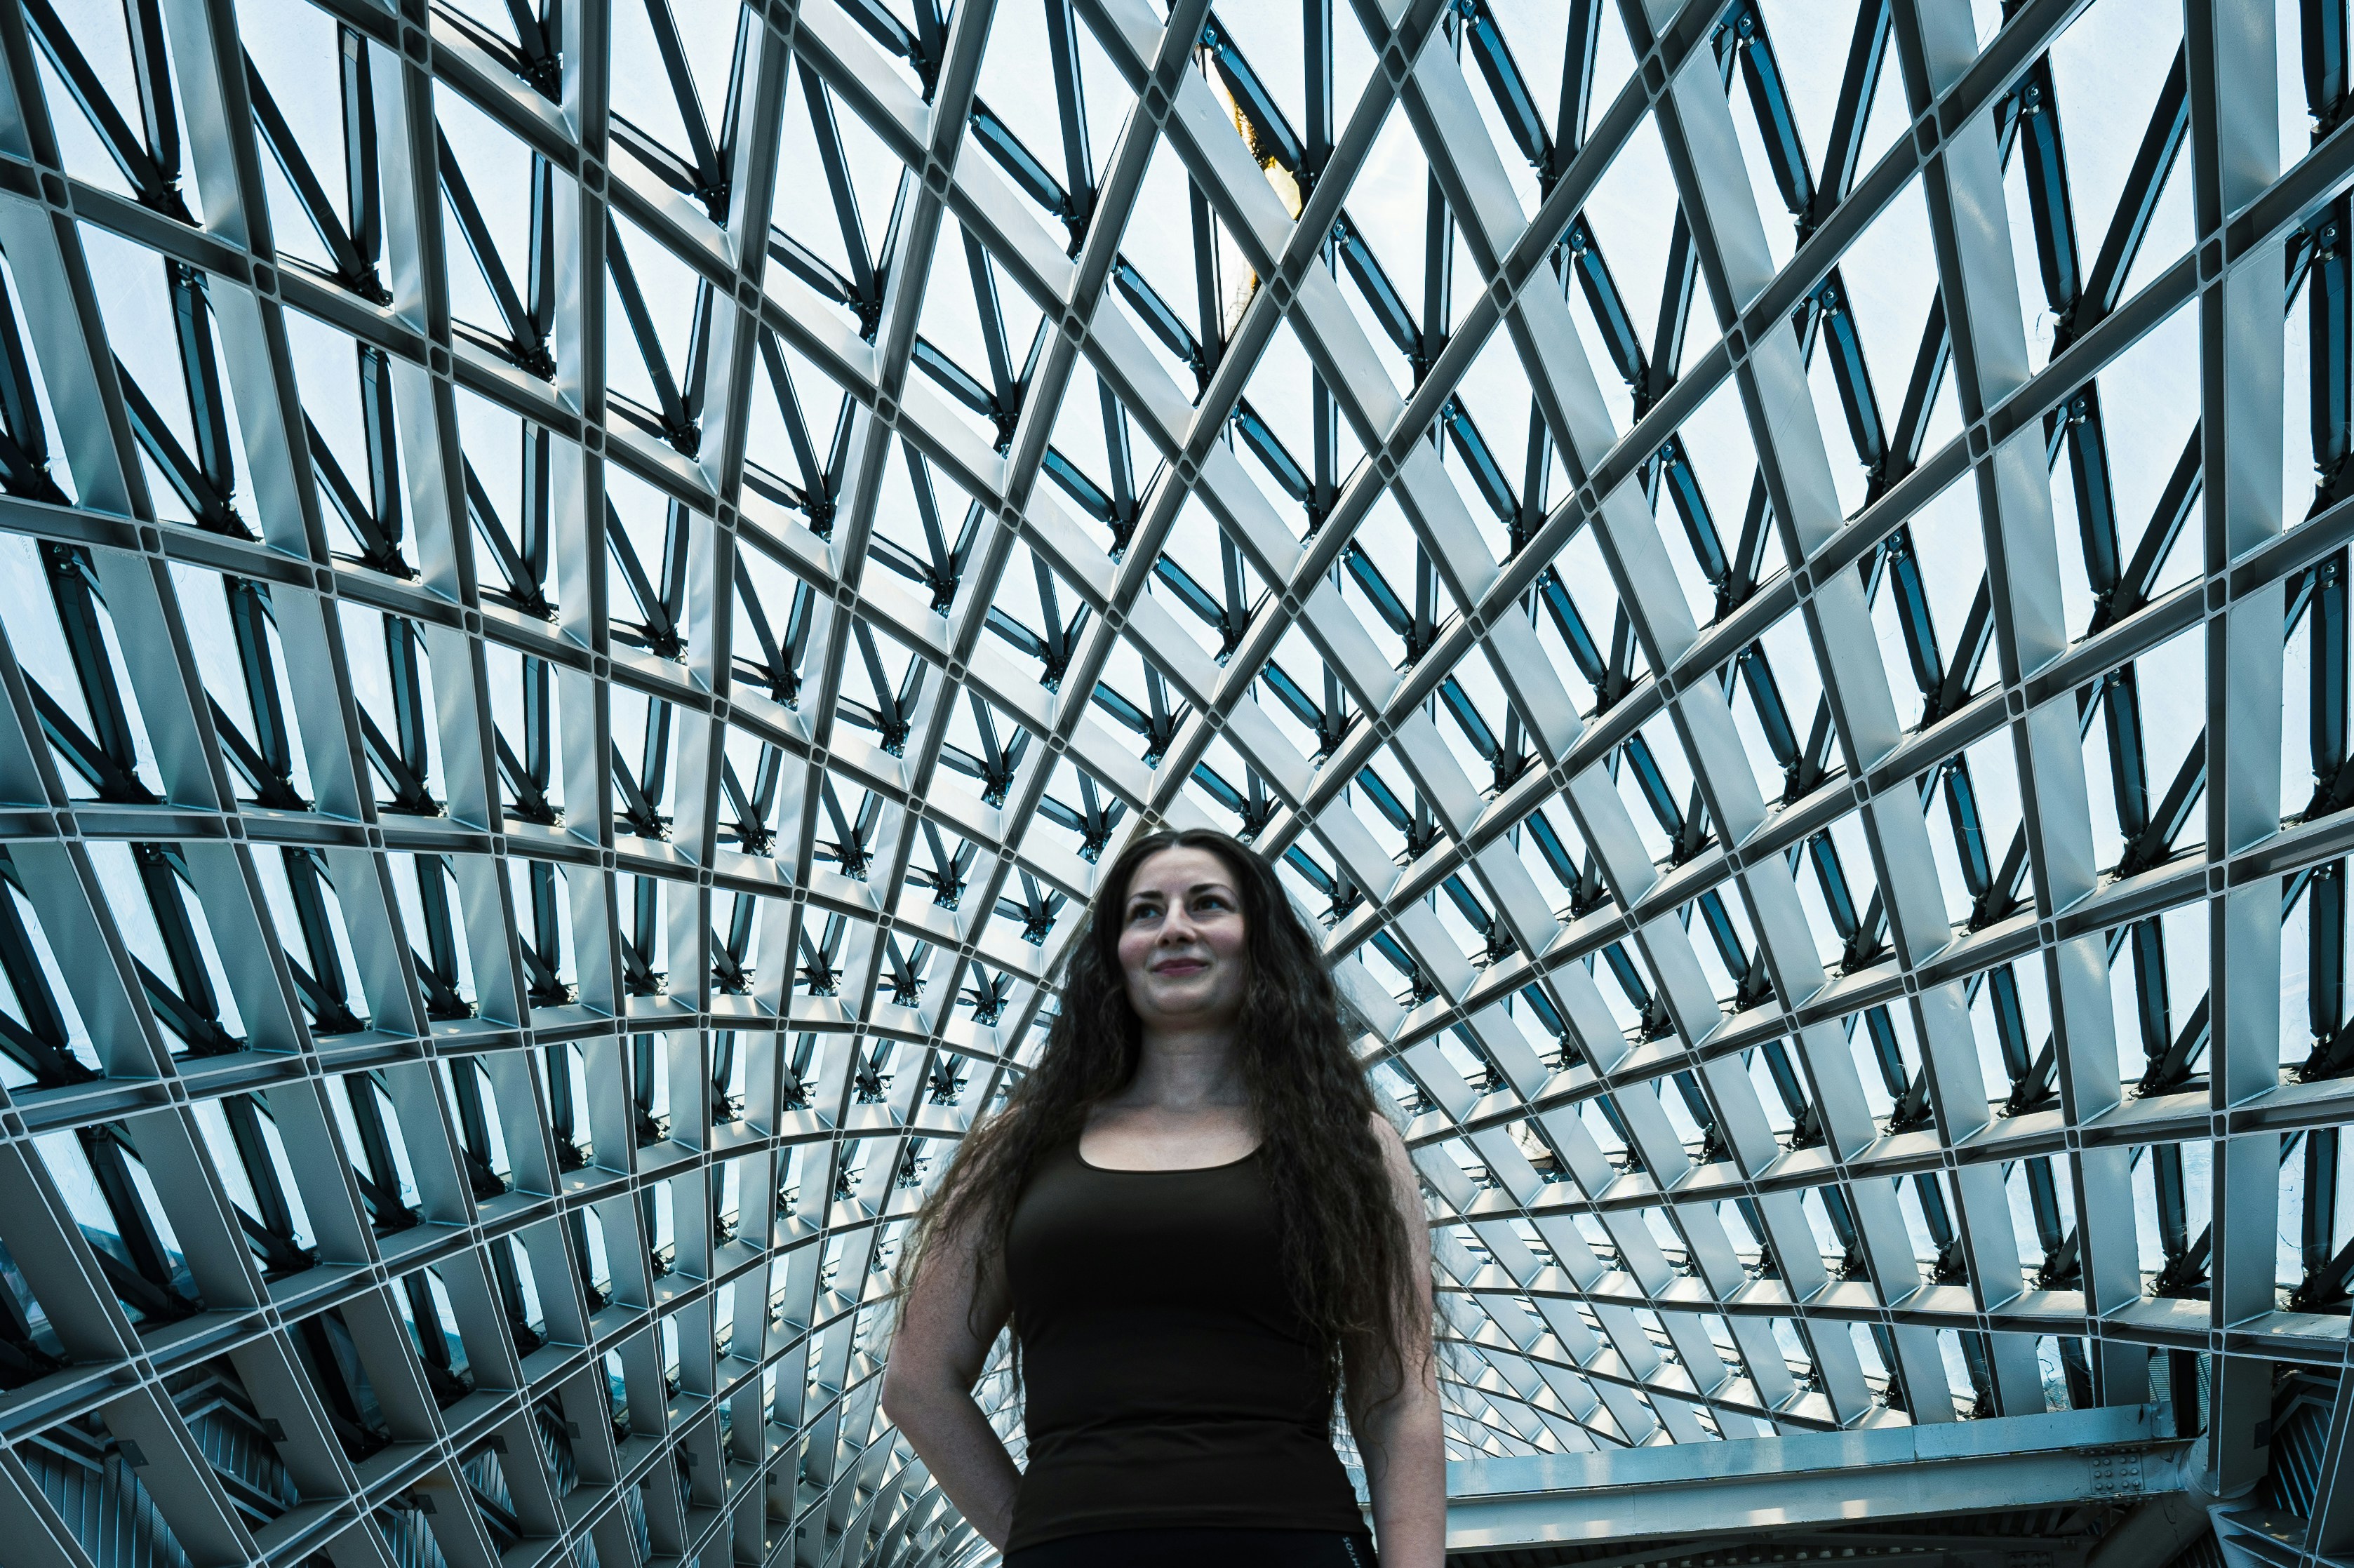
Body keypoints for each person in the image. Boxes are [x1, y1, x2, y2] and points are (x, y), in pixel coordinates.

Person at [881, 827, 1445, 1567]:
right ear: (1114, 953)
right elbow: (917, 1381)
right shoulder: (1016, 1149)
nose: (1174, 926)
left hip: (1293, 1546)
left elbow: (1397, 1398)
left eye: (1207, 904)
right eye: (1145, 911)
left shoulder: (1352, 1145)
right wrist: (1038, 1534)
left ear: (1260, 940)